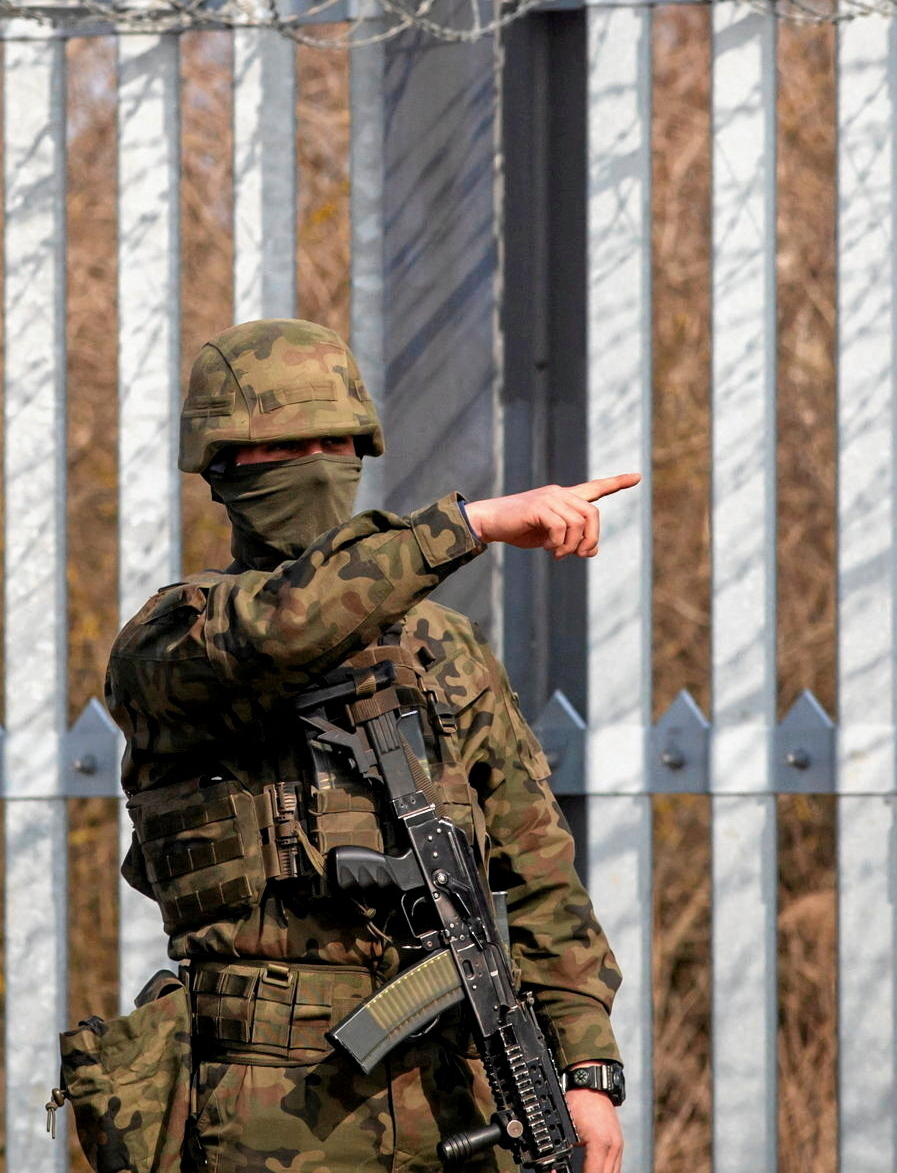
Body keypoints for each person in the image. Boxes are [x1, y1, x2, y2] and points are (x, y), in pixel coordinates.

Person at [104, 318, 637, 1173]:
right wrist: (470, 523)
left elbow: (538, 868)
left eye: (336, 442)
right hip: (272, 1105)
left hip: (457, 1087)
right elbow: (285, 627)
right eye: (284, 448)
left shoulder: (443, 648)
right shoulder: (177, 640)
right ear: (221, 472)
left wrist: (586, 1065)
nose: (318, 463)